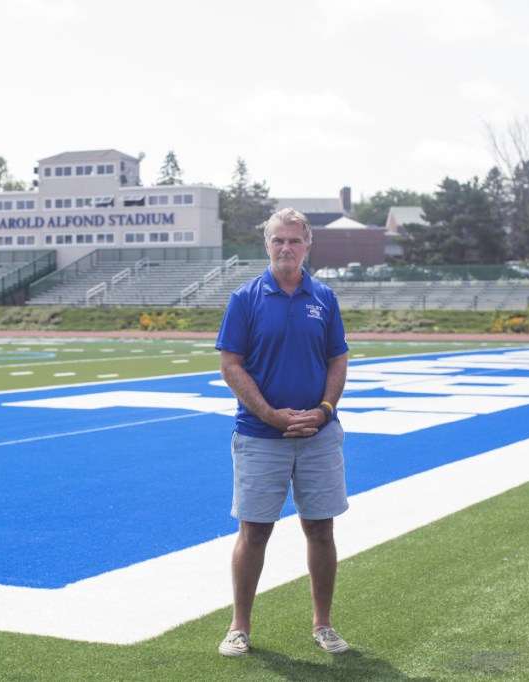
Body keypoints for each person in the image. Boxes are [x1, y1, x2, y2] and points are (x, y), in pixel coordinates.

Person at [214, 207, 351, 657]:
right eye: (278, 240)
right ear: (266, 245)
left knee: (321, 529)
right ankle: (239, 626)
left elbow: (337, 360)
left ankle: (324, 624)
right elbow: (230, 366)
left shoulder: (325, 298)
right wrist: (271, 414)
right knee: (254, 531)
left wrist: (325, 410)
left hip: (317, 435)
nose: (286, 248)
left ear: (308, 247)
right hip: (259, 435)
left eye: (294, 240)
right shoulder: (245, 298)